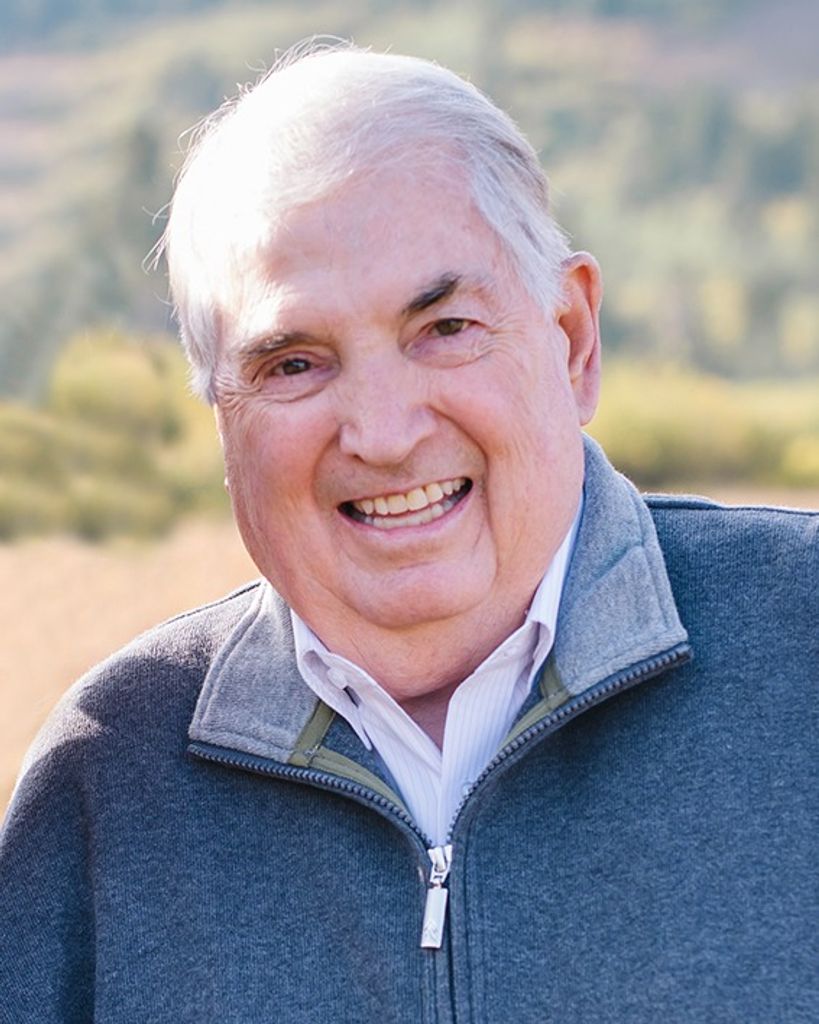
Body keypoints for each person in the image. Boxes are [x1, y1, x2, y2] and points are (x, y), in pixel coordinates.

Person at [0, 43, 816, 1024]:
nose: (384, 435)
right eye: (293, 363)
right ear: (220, 414)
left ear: (571, 338)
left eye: (444, 328)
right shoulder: (107, 783)